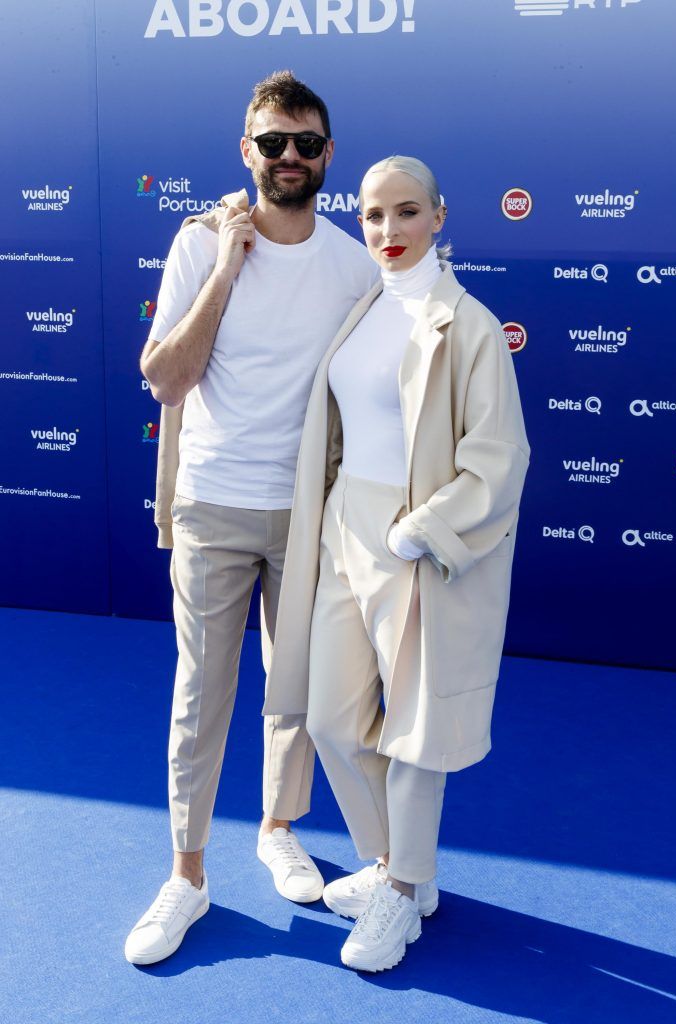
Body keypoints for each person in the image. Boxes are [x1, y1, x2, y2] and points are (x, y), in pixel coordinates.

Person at [124, 71, 378, 966]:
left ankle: (277, 826)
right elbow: (164, 375)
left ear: (328, 157)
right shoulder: (199, 242)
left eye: (306, 143)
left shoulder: (354, 262)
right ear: (247, 151)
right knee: (201, 697)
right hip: (210, 505)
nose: (290, 158)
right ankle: (187, 878)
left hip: (307, 512)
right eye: (273, 142)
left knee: (295, 692)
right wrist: (230, 264)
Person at [264, 156, 530, 973]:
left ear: (438, 218)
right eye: (374, 216)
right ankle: (398, 872)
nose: (387, 231)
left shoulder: (468, 324)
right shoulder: (367, 305)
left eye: (406, 213)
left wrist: (422, 531)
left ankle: (403, 886)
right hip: (344, 524)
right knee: (333, 718)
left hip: (415, 540)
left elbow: (500, 457)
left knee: (416, 729)